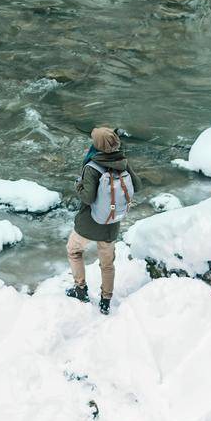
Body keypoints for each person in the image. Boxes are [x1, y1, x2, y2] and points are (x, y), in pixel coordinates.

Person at [66, 125, 137, 315]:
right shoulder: (122, 162)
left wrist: (78, 185)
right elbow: (136, 185)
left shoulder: (92, 166)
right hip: (111, 223)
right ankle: (106, 300)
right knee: (107, 264)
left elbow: (87, 198)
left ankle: (80, 289)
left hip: (89, 222)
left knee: (74, 251)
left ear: (97, 145)